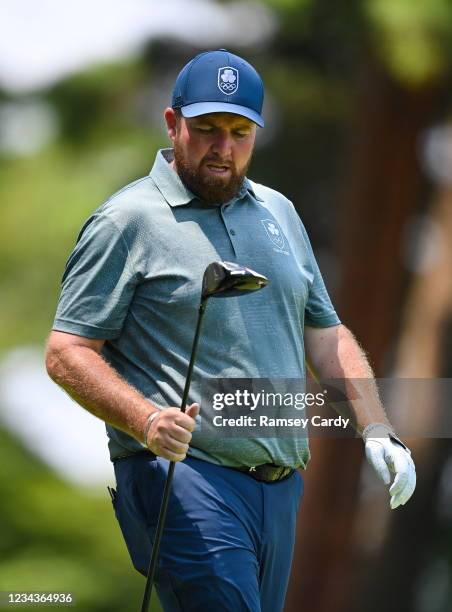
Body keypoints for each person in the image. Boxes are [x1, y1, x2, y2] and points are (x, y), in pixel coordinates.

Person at [45, 49, 416, 612]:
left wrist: (375, 428)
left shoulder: (278, 211)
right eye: (207, 129)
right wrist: (144, 418)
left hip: (281, 487)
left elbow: (326, 333)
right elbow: (67, 352)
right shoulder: (127, 220)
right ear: (173, 124)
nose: (224, 148)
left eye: (240, 132)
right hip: (183, 479)